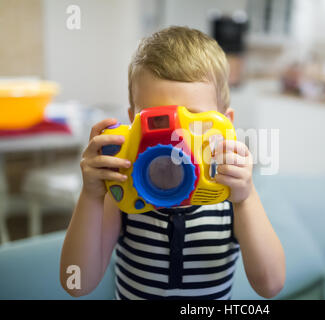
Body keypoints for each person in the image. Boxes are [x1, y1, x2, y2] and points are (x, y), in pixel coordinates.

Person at [60, 26, 285, 300]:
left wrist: (246, 199)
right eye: (156, 120)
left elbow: (271, 286)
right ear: (132, 122)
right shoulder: (124, 195)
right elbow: (77, 283)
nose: (174, 140)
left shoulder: (230, 198)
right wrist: (92, 195)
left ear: (226, 124)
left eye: (194, 120)